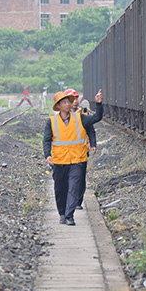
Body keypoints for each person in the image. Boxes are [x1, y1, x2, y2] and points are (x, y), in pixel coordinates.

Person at [43, 89, 103, 226]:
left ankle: (70, 215)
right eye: (64, 102)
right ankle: (62, 213)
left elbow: (96, 119)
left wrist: (99, 104)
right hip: (59, 161)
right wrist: (47, 155)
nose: (68, 104)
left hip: (78, 160)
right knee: (60, 190)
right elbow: (46, 140)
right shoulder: (51, 122)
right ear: (58, 106)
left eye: (68, 102)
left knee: (74, 188)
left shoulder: (79, 117)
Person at [64, 89, 96, 210]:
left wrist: (93, 144)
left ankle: (78, 201)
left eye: (77, 99)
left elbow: (91, 131)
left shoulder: (84, 114)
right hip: (66, 152)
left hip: (81, 152)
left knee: (80, 177)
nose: (75, 101)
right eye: (73, 99)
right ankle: (69, 198)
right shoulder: (62, 115)